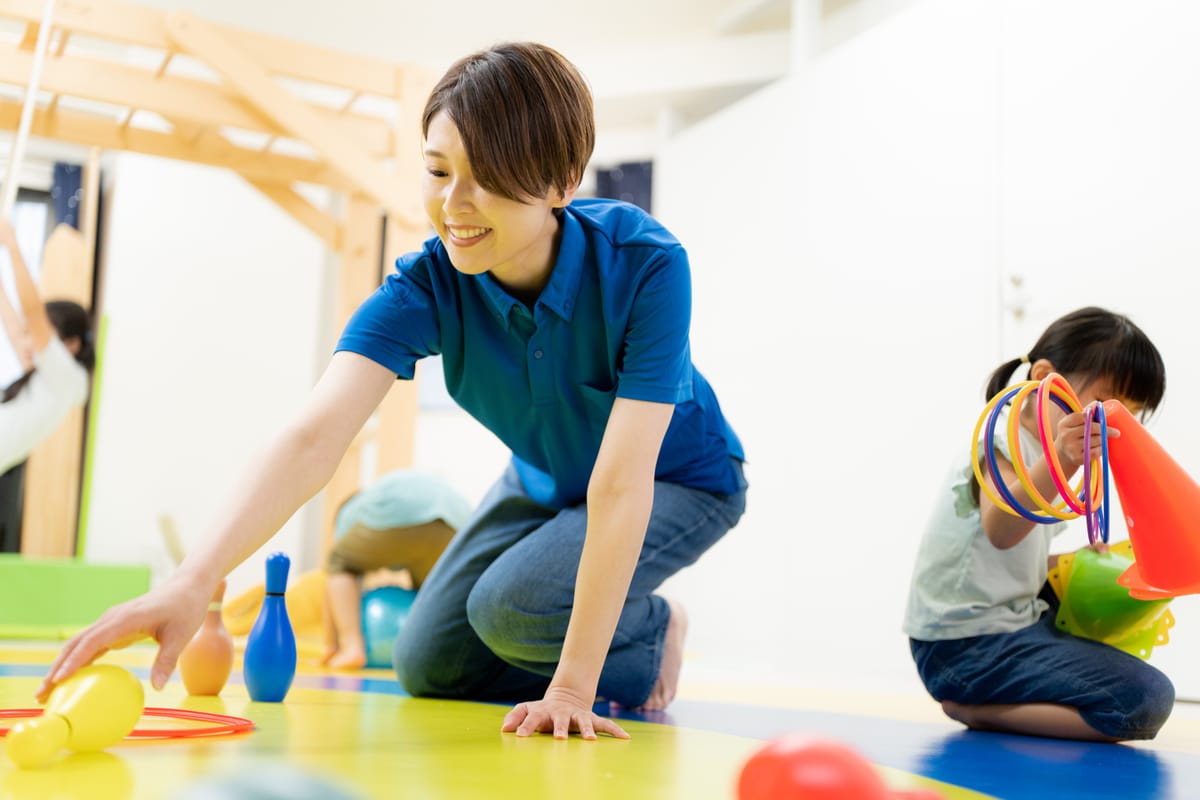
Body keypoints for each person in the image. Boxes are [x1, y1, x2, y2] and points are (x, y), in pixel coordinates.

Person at [39, 42, 747, 741]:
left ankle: (651, 631)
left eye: (489, 179)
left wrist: (569, 688)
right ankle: (576, 622)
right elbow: (313, 436)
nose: (453, 205)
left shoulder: (646, 264)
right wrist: (195, 578)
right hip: (544, 479)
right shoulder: (426, 287)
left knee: (513, 610)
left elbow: (621, 486)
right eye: (438, 171)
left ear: (563, 182)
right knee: (425, 660)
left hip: (678, 477)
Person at [904, 306, 1175, 742]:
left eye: (1132, 412)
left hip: (1008, 623)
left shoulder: (1042, 447)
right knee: (1144, 701)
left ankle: (1003, 694)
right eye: (1107, 405)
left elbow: (1008, 557)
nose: (1118, 423)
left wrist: (1076, 560)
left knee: (1106, 612)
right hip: (963, 646)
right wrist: (1065, 460)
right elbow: (1001, 529)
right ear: (1046, 377)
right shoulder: (1000, 440)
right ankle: (979, 710)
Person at [322, 469, 472, 669]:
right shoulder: (403, 485)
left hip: (398, 513)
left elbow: (333, 583)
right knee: (429, 594)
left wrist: (331, 645)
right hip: (457, 525)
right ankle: (431, 656)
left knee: (339, 562)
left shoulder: (349, 511)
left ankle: (351, 647)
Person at [0, 216, 93, 475]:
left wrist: (12, 244)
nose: (29, 342)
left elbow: (32, 313)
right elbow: (15, 329)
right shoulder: (50, 378)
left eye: (40, 337)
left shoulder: (66, 378)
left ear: (72, 344)